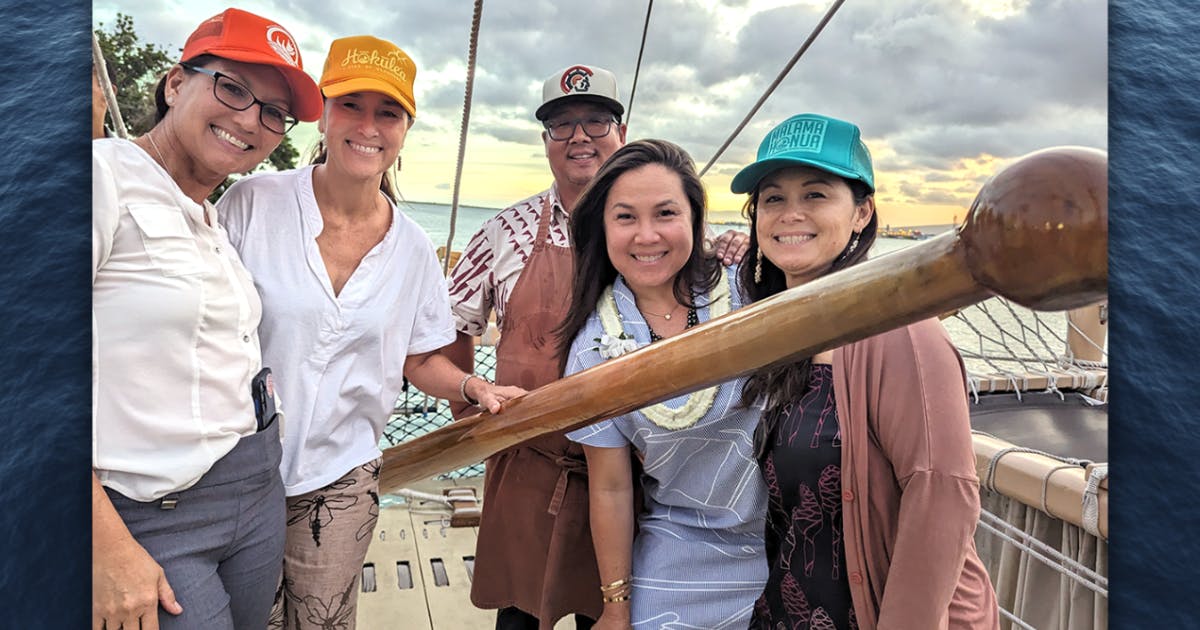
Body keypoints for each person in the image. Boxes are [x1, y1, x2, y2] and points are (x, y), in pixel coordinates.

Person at [216, 35, 525, 629]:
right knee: (248, 620)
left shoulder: (411, 248)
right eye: (351, 105)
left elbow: (417, 359)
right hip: (235, 466)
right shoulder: (254, 202)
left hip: (341, 474)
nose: (368, 125)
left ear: (405, 130)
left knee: (325, 622)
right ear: (324, 115)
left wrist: (472, 389)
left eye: (388, 112)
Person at [444, 64, 749, 629]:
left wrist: (750, 250)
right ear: (545, 141)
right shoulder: (501, 234)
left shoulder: (671, 239)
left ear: (622, 132)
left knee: (613, 614)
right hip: (531, 467)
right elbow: (451, 328)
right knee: (519, 617)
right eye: (562, 125)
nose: (579, 137)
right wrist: (473, 408)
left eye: (595, 121)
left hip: (634, 474)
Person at [92, 9, 322, 630]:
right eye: (233, 88)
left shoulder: (209, 214)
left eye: (274, 113)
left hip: (252, 487)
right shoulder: (102, 177)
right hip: (151, 509)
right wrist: (103, 546)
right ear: (175, 83)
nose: (252, 120)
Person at [731, 113, 1000, 629]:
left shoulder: (901, 332)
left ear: (861, 213)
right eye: (773, 198)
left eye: (815, 195)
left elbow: (942, 494)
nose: (791, 214)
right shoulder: (778, 330)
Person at [558, 139, 768, 629]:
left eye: (666, 213)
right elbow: (609, 487)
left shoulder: (750, 289)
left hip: (792, 537)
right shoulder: (594, 348)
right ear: (602, 227)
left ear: (696, 221)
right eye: (626, 217)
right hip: (680, 542)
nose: (647, 235)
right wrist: (615, 606)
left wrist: (751, 244)